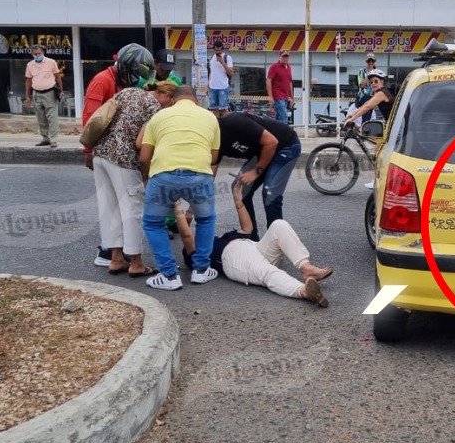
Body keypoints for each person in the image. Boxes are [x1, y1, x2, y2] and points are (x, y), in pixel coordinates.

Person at [174, 180, 332, 307]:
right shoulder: (196, 253)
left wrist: (238, 201)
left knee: (279, 225)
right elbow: (186, 235)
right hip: (234, 261)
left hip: (255, 247)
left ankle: (306, 268)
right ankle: (303, 291)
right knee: (268, 272)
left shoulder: (221, 237)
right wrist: (179, 208)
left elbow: (247, 228)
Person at [139, 85, 221, 291]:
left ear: (173, 100)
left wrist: (148, 179)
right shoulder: (210, 117)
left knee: (153, 223)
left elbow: (144, 157)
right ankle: (201, 270)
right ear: (196, 100)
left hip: (163, 175)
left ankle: (169, 275)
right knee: (206, 219)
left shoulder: (159, 117)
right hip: (199, 175)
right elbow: (213, 157)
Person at [91, 46, 161, 277]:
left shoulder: (120, 94)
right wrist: (147, 172)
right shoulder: (151, 105)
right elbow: (144, 144)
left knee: (109, 207)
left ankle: (116, 259)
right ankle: (137, 262)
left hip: (100, 155)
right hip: (122, 159)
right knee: (132, 208)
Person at [214, 111, 301, 238]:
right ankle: (252, 239)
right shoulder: (213, 140)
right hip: (262, 152)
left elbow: (271, 142)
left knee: (270, 194)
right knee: (240, 190)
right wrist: (192, 208)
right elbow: (211, 169)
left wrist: (255, 172)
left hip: (285, 145)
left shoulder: (234, 121)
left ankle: (275, 242)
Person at [24, 44, 63, 148]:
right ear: (32, 54)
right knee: (41, 117)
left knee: (52, 117)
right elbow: (28, 81)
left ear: (43, 53)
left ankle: (53, 140)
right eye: (35, 54)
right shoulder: (30, 65)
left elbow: (57, 76)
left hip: (50, 93)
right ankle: (45, 138)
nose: (37, 55)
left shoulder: (51, 62)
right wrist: (27, 96)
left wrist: (61, 90)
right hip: (36, 93)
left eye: (39, 53)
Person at [348, 53, 378, 126]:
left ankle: (364, 129)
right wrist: (369, 75)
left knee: (369, 116)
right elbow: (361, 85)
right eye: (369, 61)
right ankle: (363, 130)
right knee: (366, 116)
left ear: (374, 62)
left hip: (373, 97)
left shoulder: (377, 72)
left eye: (372, 61)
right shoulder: (362, 71)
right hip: (364, 96)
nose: (370, 63)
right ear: (366, 62)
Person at [266, 50, 293, 123]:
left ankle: (275, 133)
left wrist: (291, 97)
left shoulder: (289, 67)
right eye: (284, 56)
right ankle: (284, 133)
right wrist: (270, 96)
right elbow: (268, 80)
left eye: (287, 56)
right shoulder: (274, 66)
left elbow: (289, 83)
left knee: (278, 118)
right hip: (277, 95)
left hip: (285, 96)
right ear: (280, 57)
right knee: (284, 116)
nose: (285, 58)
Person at [207, 40, 233, 117]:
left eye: (220, 50)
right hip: (212, 87)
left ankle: (227, 125)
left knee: (224, 108)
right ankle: (216, 125)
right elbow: (211, 72)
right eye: (216, 50)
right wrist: (208, 84)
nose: (218, 52)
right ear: (213, 49)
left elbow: (231, 72)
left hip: (223, 87)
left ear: (222, 49)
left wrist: (222, 62)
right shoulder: (211, 58)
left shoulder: (227, 57)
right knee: (214, 108)